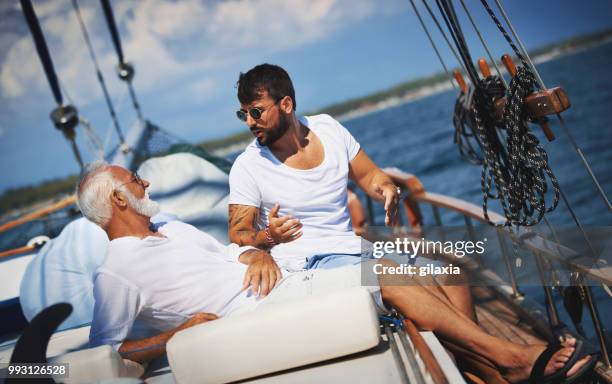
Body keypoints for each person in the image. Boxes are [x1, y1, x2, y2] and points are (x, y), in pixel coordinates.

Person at [77, 162, 594, 384]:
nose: (144, 182)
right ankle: (508, 358)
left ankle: (485, 369)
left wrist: (254, 253)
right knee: (385, 273)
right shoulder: (117, 273)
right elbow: (107, 352)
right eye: (134, 180)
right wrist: (177, 334)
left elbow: (225, 255)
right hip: (253, 313)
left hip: (276, 278)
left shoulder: (169, 227)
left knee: (444, 269)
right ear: (119, 199)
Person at [228, 63, 474, 320]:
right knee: (401, 278)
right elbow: (238, 233)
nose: (249, 122)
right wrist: (269, 235)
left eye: (256, 112)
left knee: (451, 276)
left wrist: (387, 188)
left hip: (357, 249)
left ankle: (470, 361)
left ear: (286, 105)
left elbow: (369, 175)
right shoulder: (248, 166)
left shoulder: (328, 128)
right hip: (311, 264)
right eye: (242, 114)